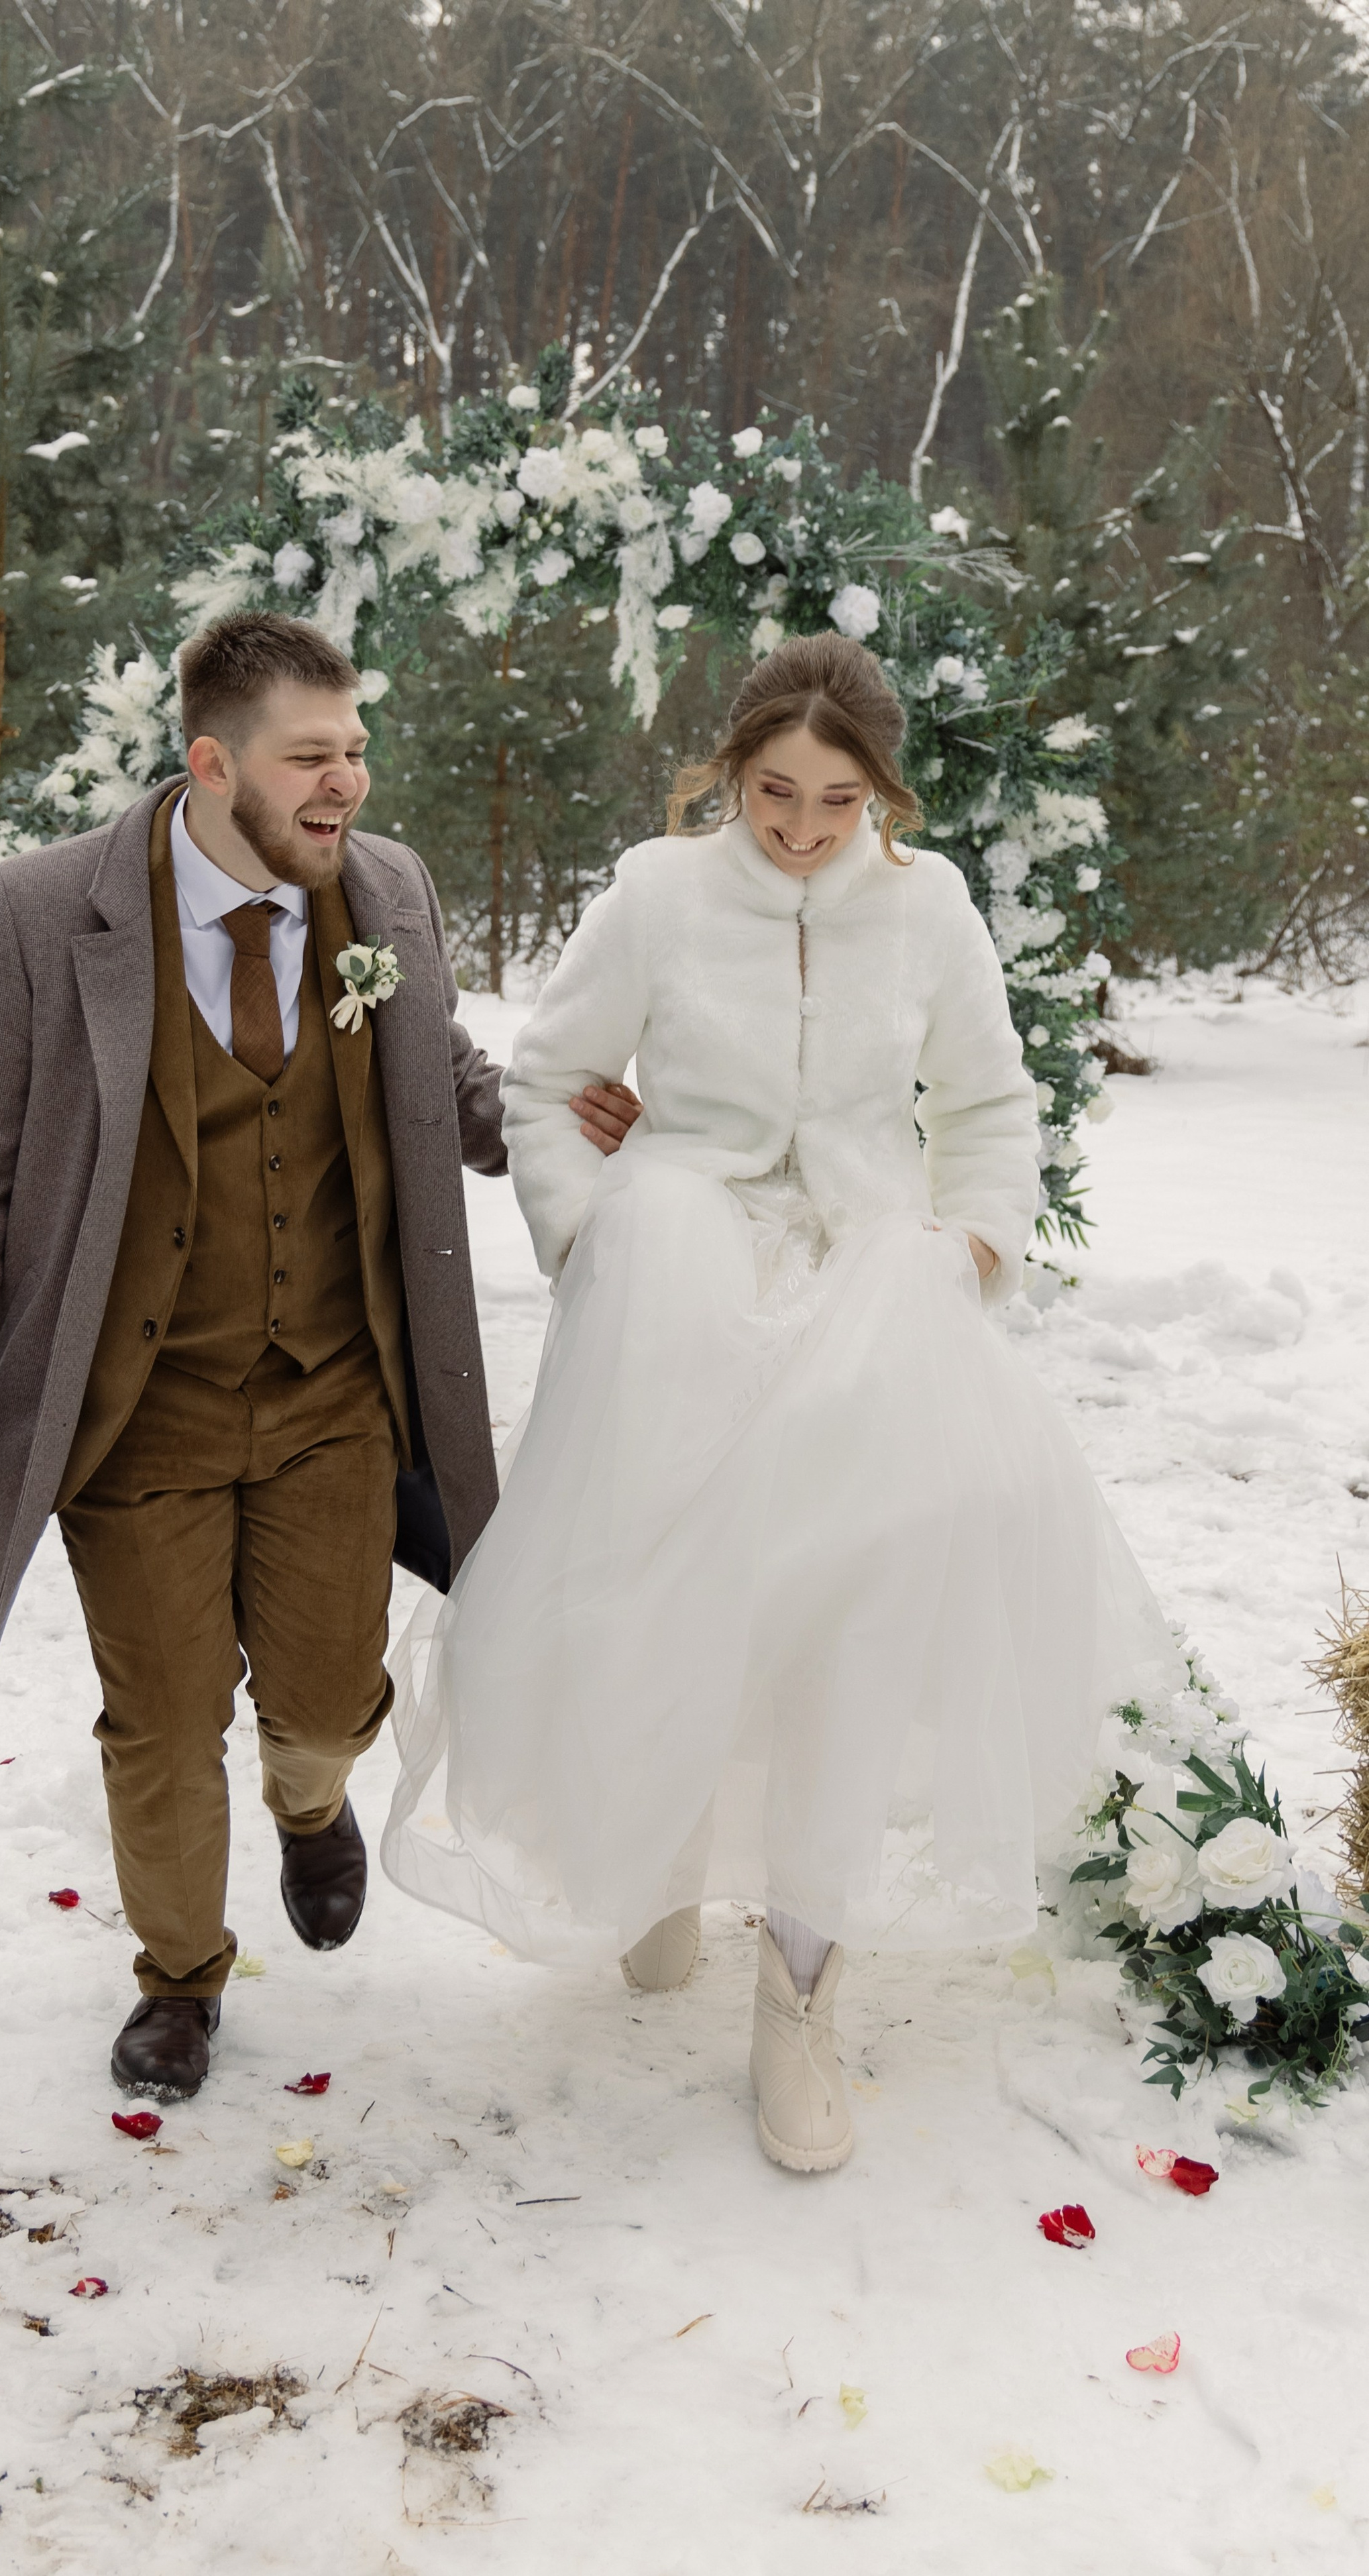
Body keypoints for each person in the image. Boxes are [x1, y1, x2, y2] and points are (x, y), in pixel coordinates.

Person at [382, 631, 1181, 2174]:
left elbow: (992, 1103)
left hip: (873, 1299)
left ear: (880, 793)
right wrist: (593, 1233)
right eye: (772, 792)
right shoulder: (656, 892)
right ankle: (657, 1851)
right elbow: (548, 1079)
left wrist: (970, 1244)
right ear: (728, 772)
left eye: (835, 800)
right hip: (678, 1286)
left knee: (851, 1622)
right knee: (663, 1593)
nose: (802, 829)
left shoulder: (925, 905)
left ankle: (798, 2000)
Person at [0, 610, 639, 2101]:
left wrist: (553, 1117)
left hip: (337, 1397)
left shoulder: (388, 892)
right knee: (159, 1721)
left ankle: (309, 1805)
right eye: (312, 757)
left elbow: (440, 1076)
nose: (345, 783)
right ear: (213, 763)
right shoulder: (39, 914)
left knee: (318, 1698)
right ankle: (178, 1978)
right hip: (132, 1414)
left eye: (355, 750)